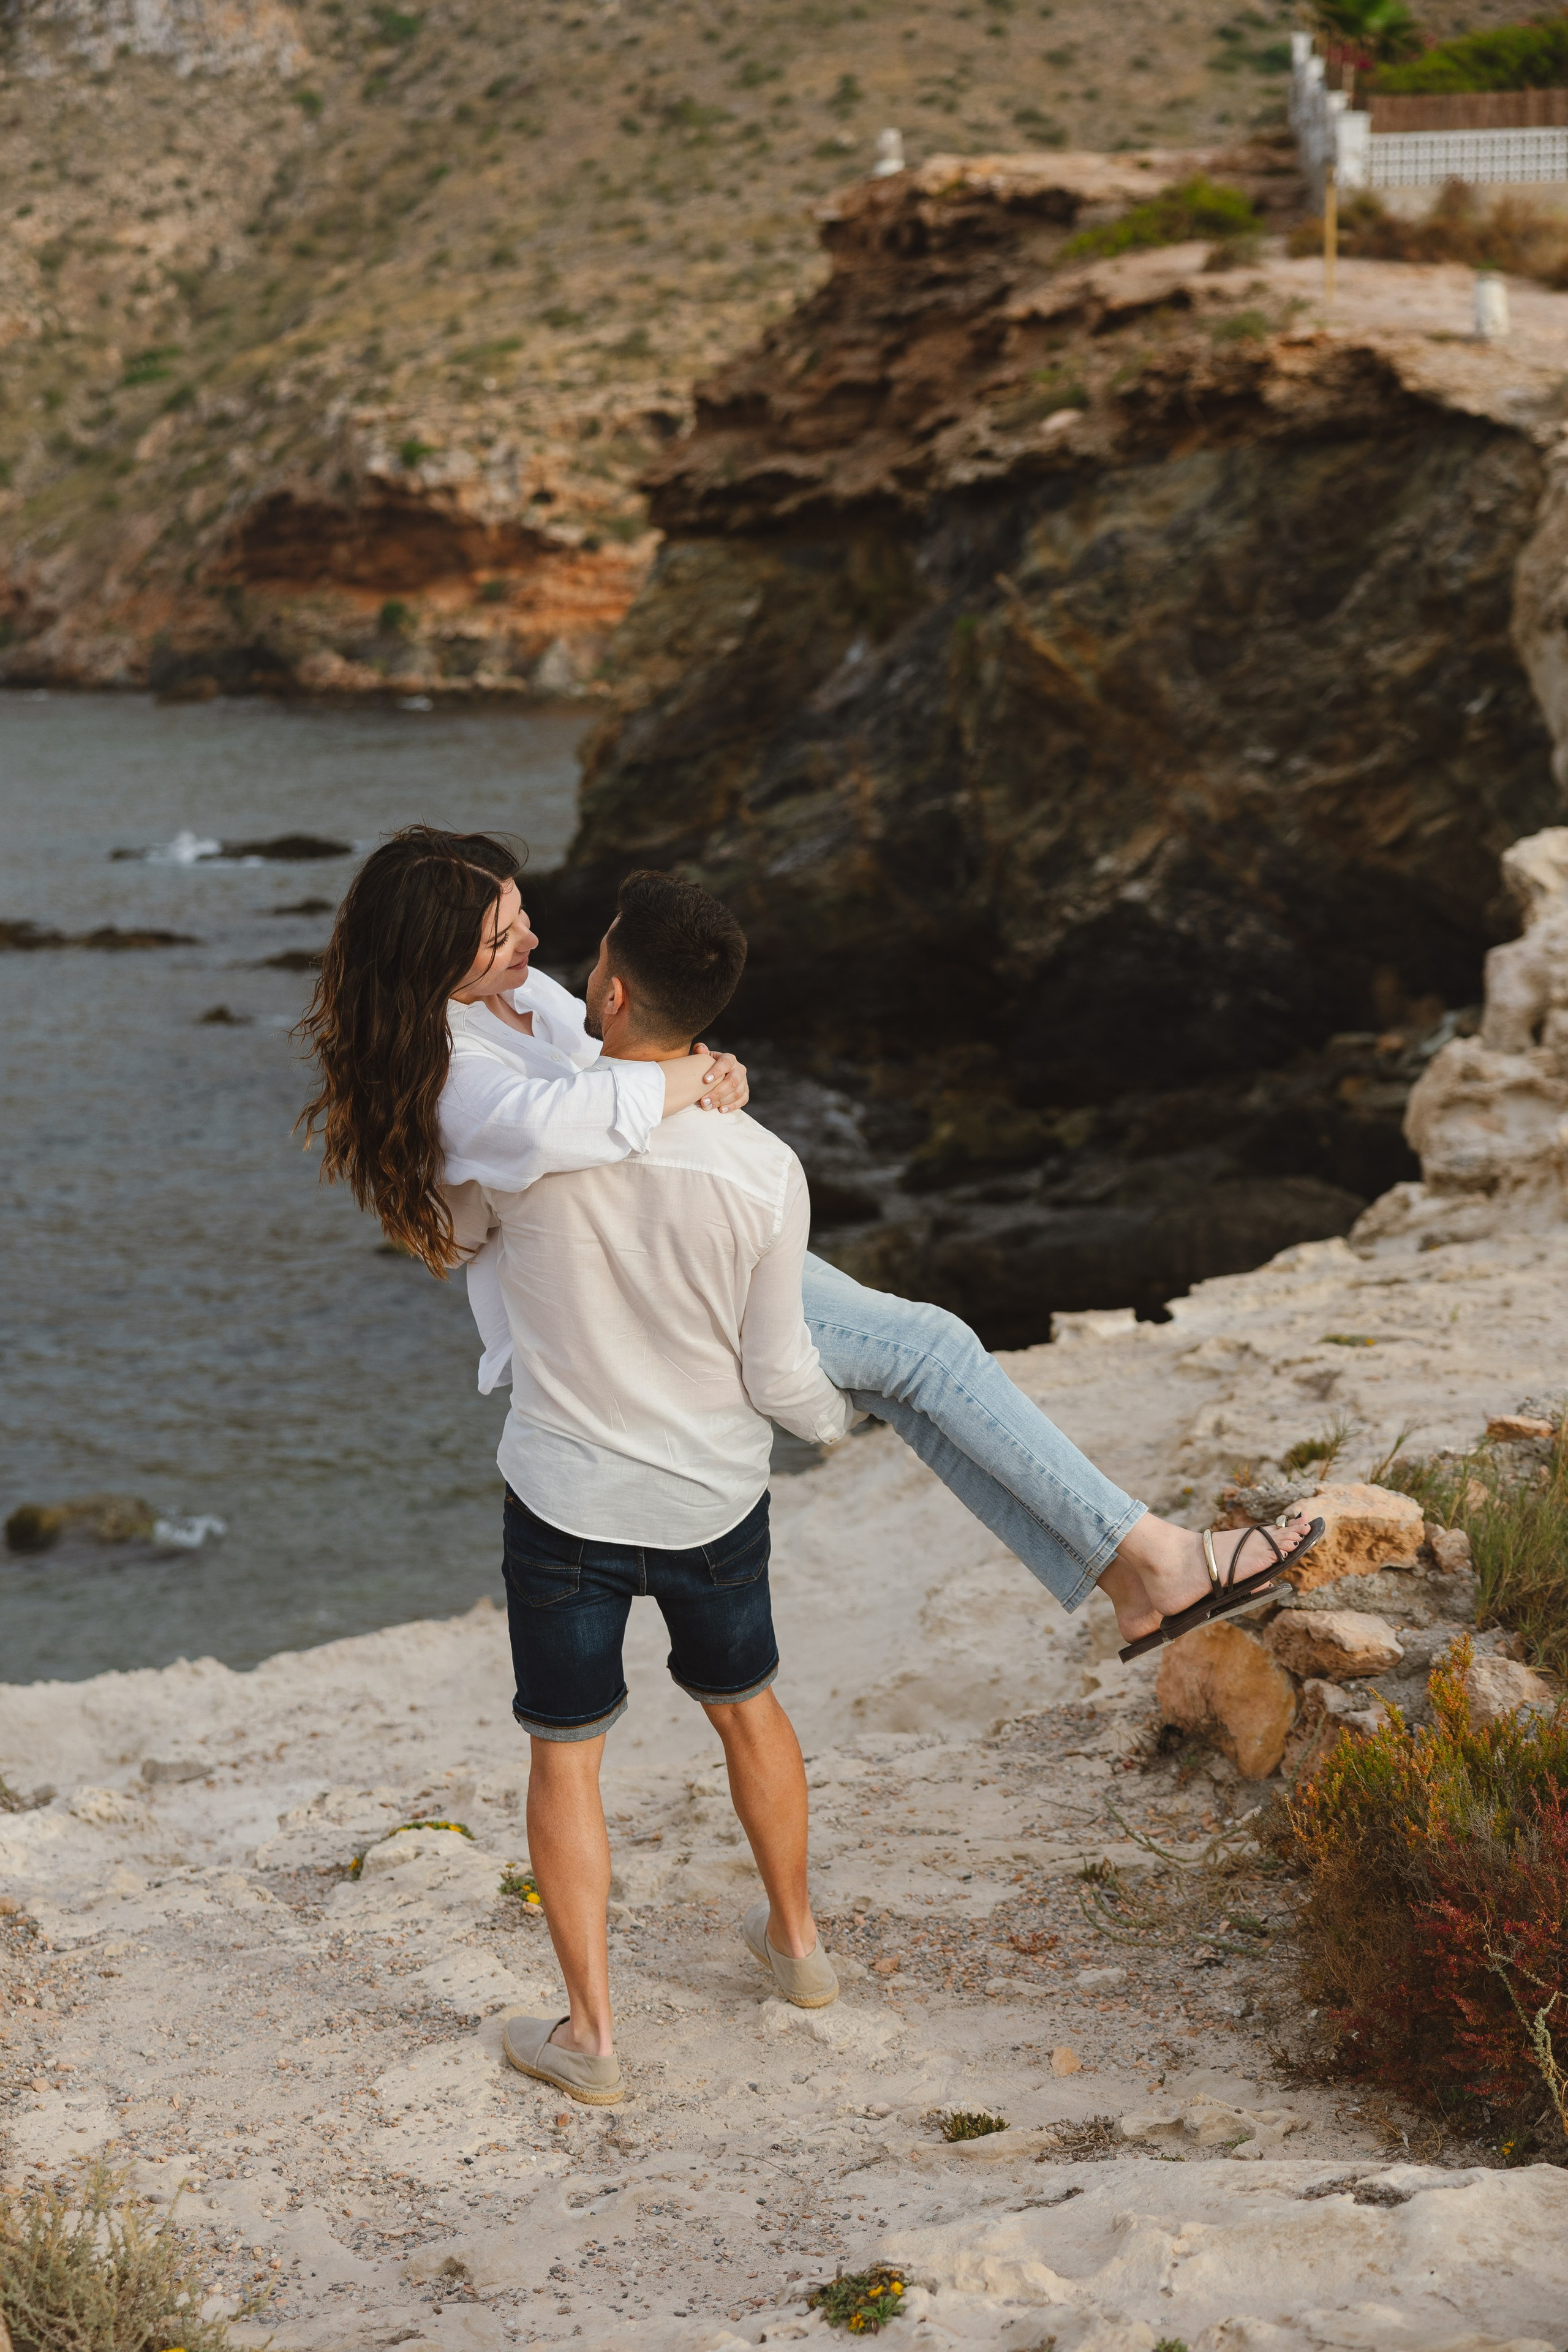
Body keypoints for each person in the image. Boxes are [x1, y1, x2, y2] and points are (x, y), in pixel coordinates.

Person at [298, 826, 1320, 1669]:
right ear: (436, 960)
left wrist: (703, 1068)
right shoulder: (453, 1064)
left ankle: (1139, 1577)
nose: (534, 940)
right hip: (635, 1274)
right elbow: (563, 1123)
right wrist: (682, 1082)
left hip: (668, 1234)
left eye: (523, 918)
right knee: (932, 1353)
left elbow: (622, 1062)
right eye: (502, 934)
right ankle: (1159, 1563)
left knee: (921, 1372)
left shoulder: (515, 997)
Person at [440, 873, 846, 2099]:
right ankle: (795, 1948)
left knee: (566, 1759)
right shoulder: (765, 1166)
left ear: (608, 998)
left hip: (563, 1498)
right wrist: (832, 1425)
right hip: (712, 1498)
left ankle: (593, 2040)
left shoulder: (524, 1143)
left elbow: (450, 1232)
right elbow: (778, 1371)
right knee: (746, 1708)